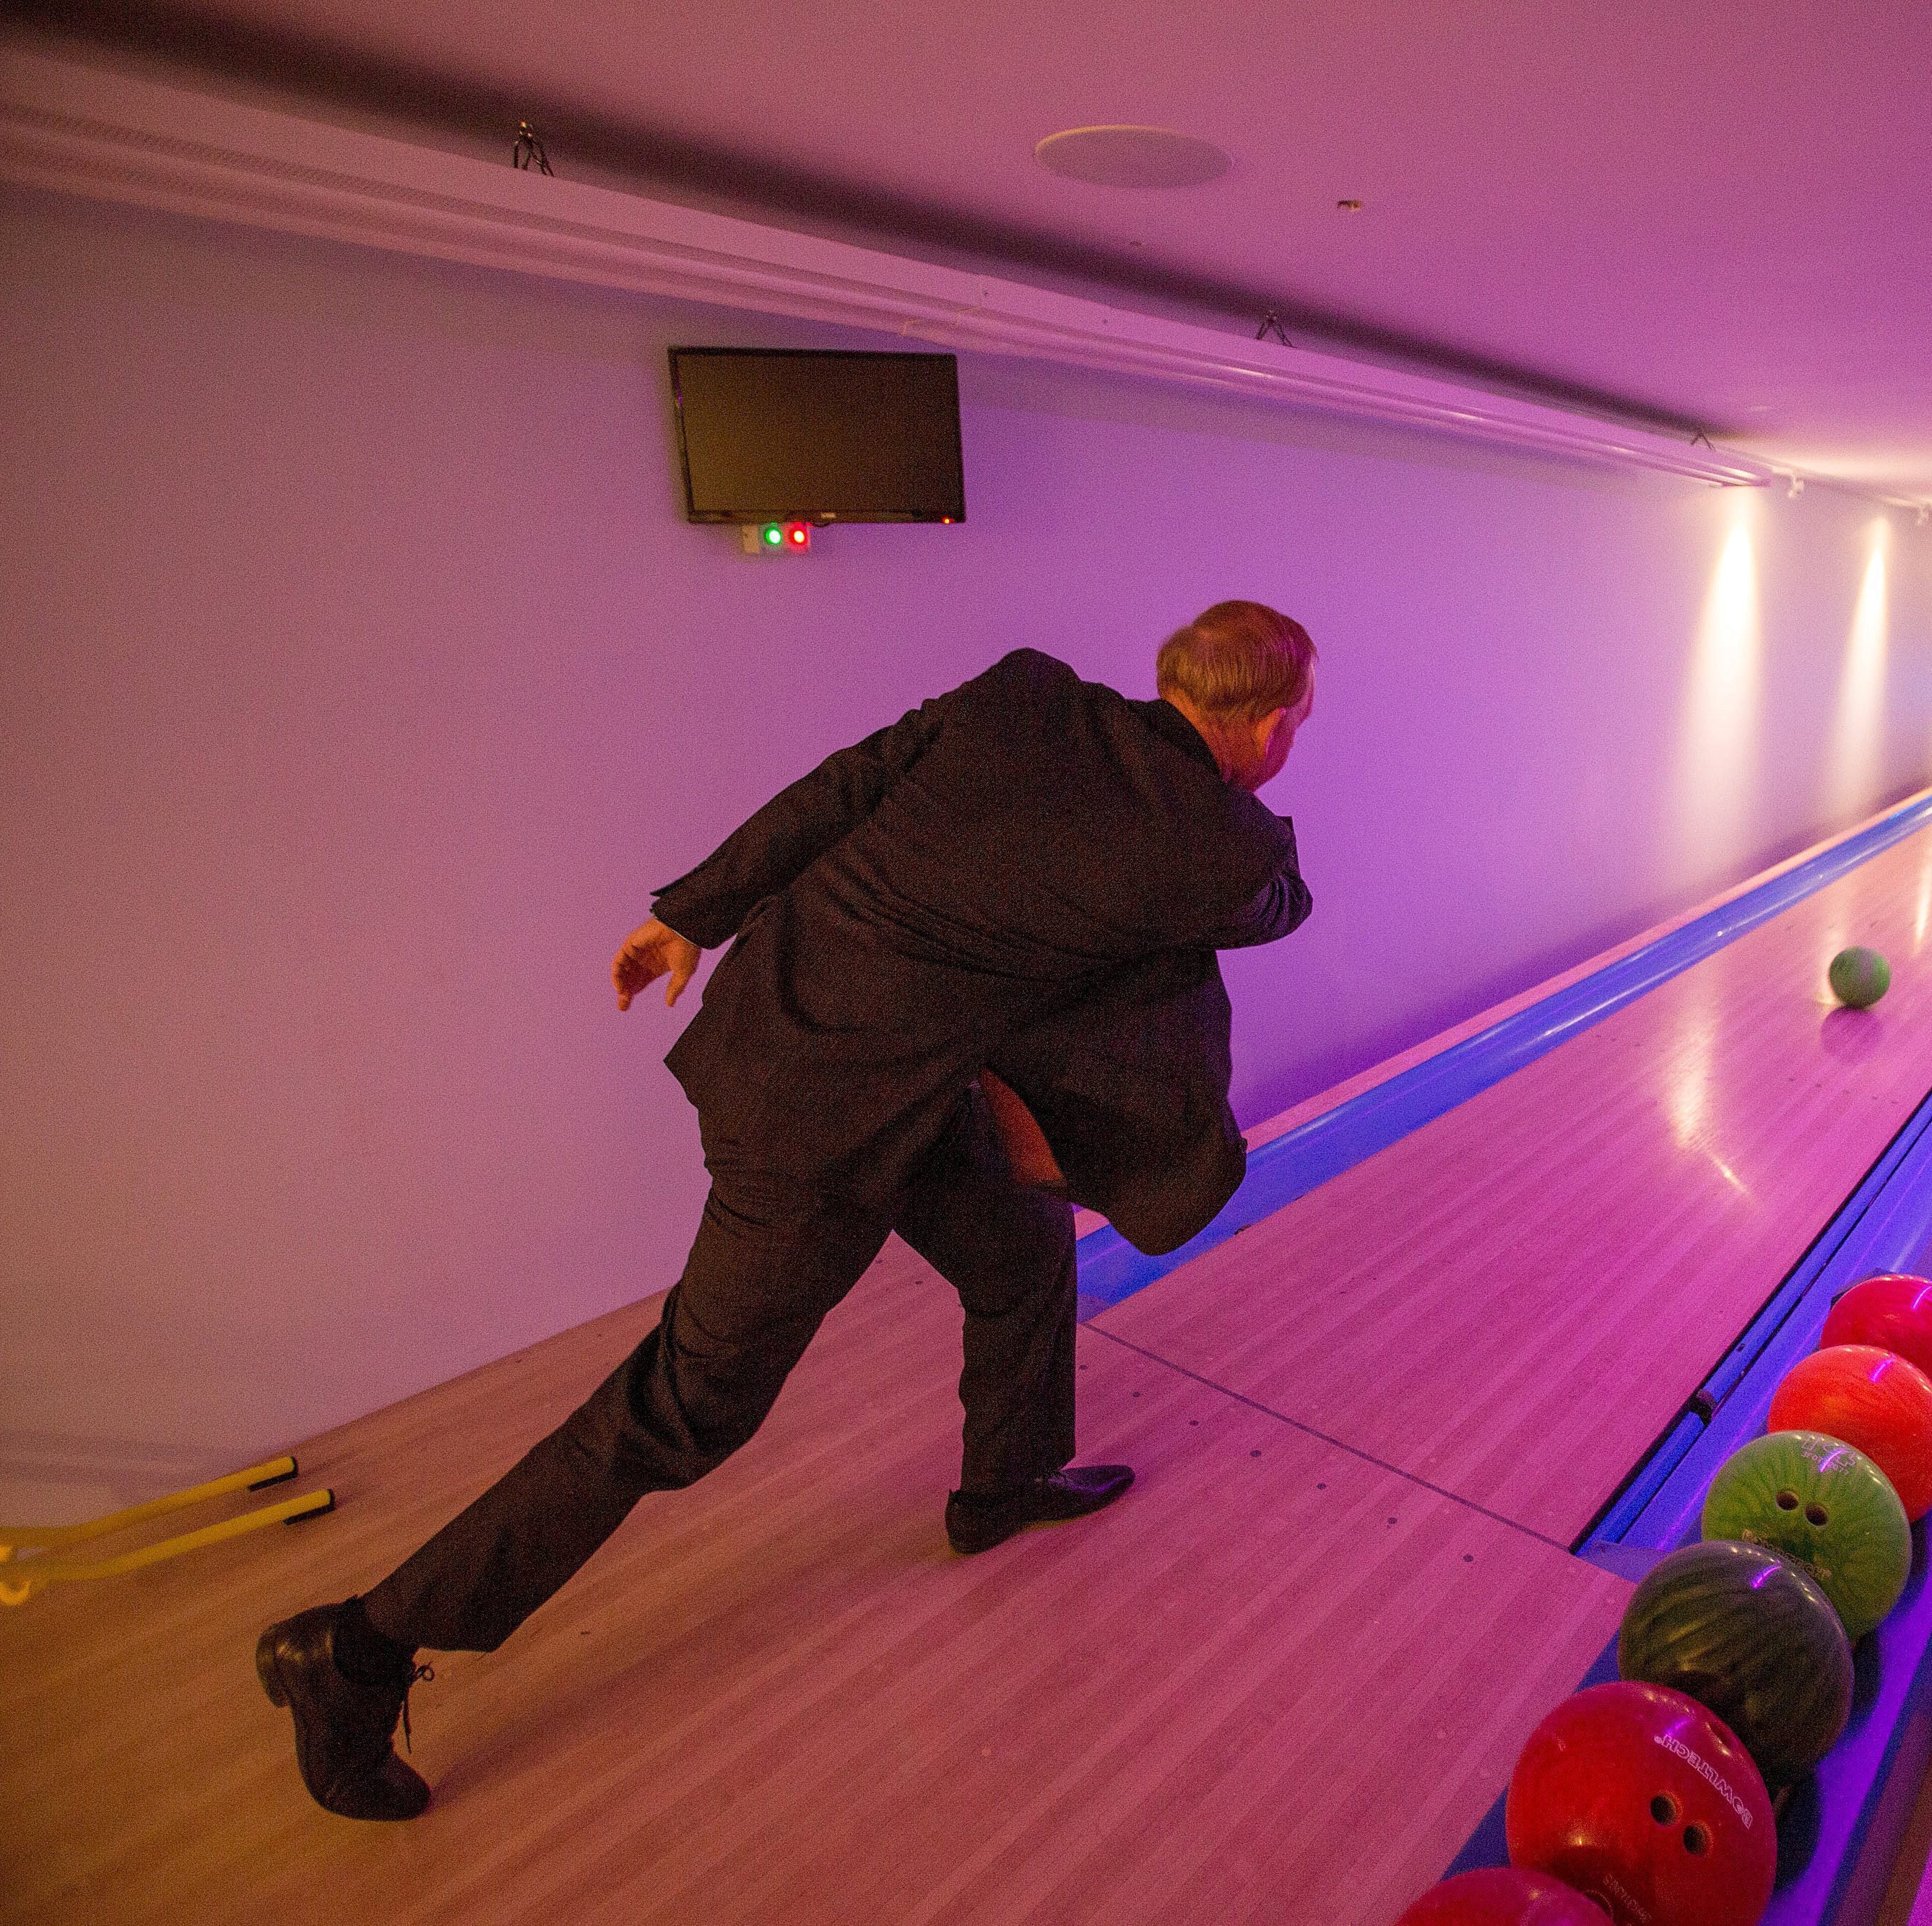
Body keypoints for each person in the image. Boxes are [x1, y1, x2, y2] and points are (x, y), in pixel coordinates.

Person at [256, 602, 1318, 1821]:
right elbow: (1280, 903)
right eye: (1303, 721)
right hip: (813, 1122)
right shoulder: (1210, 846)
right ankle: (352, 1655)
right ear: (1275, 723)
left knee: (1020, 1248)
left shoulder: (1024, 695)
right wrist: (1244, 837)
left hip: (842, 1054)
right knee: (683, 1411)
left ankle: (1004, 1484)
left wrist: (688, 915)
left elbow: (848, 784)